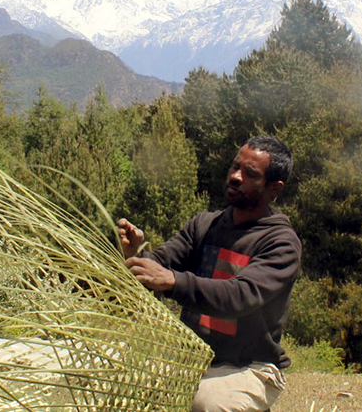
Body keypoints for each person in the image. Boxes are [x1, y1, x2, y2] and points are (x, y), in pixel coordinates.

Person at [118, 135, 300, 412]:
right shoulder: (204, 225)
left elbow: (240, 297)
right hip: (191, 359)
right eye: (234, 167)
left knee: (209, 404)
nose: (236, 176)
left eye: (250, 174)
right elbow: (162, 265)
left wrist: (174, 282)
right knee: (123, 386)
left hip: (250, 366)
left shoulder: (281, 243)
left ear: (274, 188)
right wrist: (135, 255)